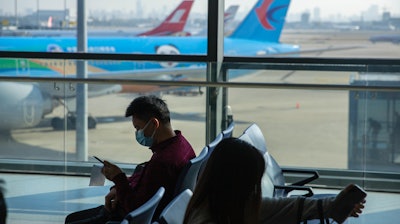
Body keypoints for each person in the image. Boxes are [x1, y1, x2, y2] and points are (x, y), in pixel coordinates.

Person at [65, 95, 196, 224]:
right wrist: (120, 186)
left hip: (124, 215)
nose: (138, 133)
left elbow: (135, 210)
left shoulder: (163, 161)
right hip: (153, 208)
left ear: (154, 123)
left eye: (138, 128)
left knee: (71, 219)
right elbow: (148, 183)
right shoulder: (181, 145)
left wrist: (118, 178)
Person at [183, 138, 366, 224]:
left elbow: (286, 207)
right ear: (235, 184)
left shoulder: (226, 205)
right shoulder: (207, 219)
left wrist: (335, 205)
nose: (254, 191)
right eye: (251, 184)